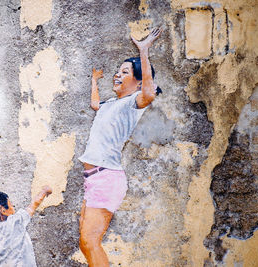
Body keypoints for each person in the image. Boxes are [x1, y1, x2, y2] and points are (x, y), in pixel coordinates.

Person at [78, 28, 163, 266]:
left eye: (125, 72)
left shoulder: (132, 103)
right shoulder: (111, 104)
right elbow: (95, 104)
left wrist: (143, 51)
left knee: (90, 240)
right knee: (85, 243)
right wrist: (95, 80)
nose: (117, 75)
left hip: (106, 177)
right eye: (118, 71)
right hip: (94, 178)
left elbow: (148, 91)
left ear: (136, 82)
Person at [0, 185, 52, 267]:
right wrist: (44, 191)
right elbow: (34, 205)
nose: (13, 207)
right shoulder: (15, 222)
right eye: (10, 205)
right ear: (2, 210)